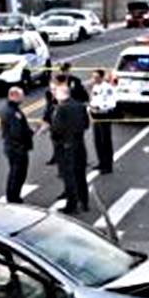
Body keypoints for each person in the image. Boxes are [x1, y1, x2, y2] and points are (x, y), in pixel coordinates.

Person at [51, 84, 91, 214]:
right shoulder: (80, 106)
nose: (54, 95)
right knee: (80, 175)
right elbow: (86, 124)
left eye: (56, 93)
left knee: (69, 176)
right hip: (79, 144)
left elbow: (56, 128)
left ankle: (72, 205)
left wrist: (57, 141)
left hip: (65, 146)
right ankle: (84, 202)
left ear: (62, 94)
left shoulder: (61, 108)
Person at [0, 87, 34, 203]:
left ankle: (12, 195)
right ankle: (14, 197)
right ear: (14, 96)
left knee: (14, 173)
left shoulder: (9, 109)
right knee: (18, 174)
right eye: (21, 96)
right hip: (17, 147)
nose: (23, 98)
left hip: (12, 146)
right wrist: (30, 132)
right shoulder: (12, 112)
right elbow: (17, 132)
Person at [88, 69, 117, 174]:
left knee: (106, 142)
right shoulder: (95, 87)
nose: (94, 79)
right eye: (93, 77)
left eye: (96, 77)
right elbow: (94, 99)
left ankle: (108, 165)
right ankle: (101, 162)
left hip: (104, 115)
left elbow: (111, 102)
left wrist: (100, 108)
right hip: (96, 115)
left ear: (102, 77)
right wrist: (91, 108)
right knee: (97, 141)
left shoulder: (108, 88)